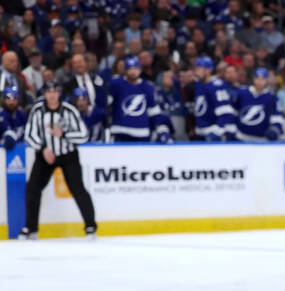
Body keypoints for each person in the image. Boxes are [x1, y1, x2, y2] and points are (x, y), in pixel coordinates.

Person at [19, 82, 96, 240]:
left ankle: (90, 226)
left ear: (59, 93)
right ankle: (31, 228)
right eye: (49, 91)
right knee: (32, 189)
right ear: (44, 94)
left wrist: (64, 134)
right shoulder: (38, 111)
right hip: (45, 155)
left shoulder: (69, 110)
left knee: (78, 189)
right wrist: (43, 149)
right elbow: (29, 134)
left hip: (68, 155)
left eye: (55, 91)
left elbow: (83, 135)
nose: (52, 95)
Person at [107, 54, 169, 142]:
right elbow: (107, 104)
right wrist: (102, 90)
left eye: (135, 68)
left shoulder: (147, 87)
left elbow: (154, 111)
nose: (133, 72)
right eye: (130, 69)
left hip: (141, 133)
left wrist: (162, 129)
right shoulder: (116, 84)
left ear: (140, 69)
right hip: (120, 132)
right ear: (125, 70)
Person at [235, 66, 285, 141]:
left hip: (262, 139)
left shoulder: (271, 98)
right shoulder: (242, 93)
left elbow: (276, 116)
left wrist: (275, 128)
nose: (260, 82)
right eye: (257, 79)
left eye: (262, 79)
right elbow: (234, 111)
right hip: (241, 137)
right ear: (253, 79)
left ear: (266, 80)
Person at [192, 55, 236, 141]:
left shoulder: (216, 85)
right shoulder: (198, 84)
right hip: (201, 133)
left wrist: (216, 131)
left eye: (199, 69)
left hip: (214, 132)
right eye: (195, 69)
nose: (196, 73)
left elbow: (226, 113)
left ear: (208, 70)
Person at [2, 85, 27, 151]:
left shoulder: (22, 115)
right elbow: (8, 141)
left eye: (14, 98)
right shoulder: (1, 115)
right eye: (8, 98)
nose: (11, 102)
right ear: (4, 99)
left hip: (22, 155)